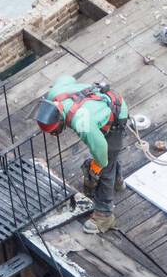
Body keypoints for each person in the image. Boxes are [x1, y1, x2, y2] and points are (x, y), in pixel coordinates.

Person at [35, 76, 129, 234]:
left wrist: (97, 167)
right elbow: (68, 78)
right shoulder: (54, 95)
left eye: (55, 132)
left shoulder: (81, 122)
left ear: (59, 120)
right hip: (101, 101)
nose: (55, 135)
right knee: (108, 160)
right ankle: (117, 182)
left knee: (106, 165)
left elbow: (101, 150)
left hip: (116, 115)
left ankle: (104, 215)